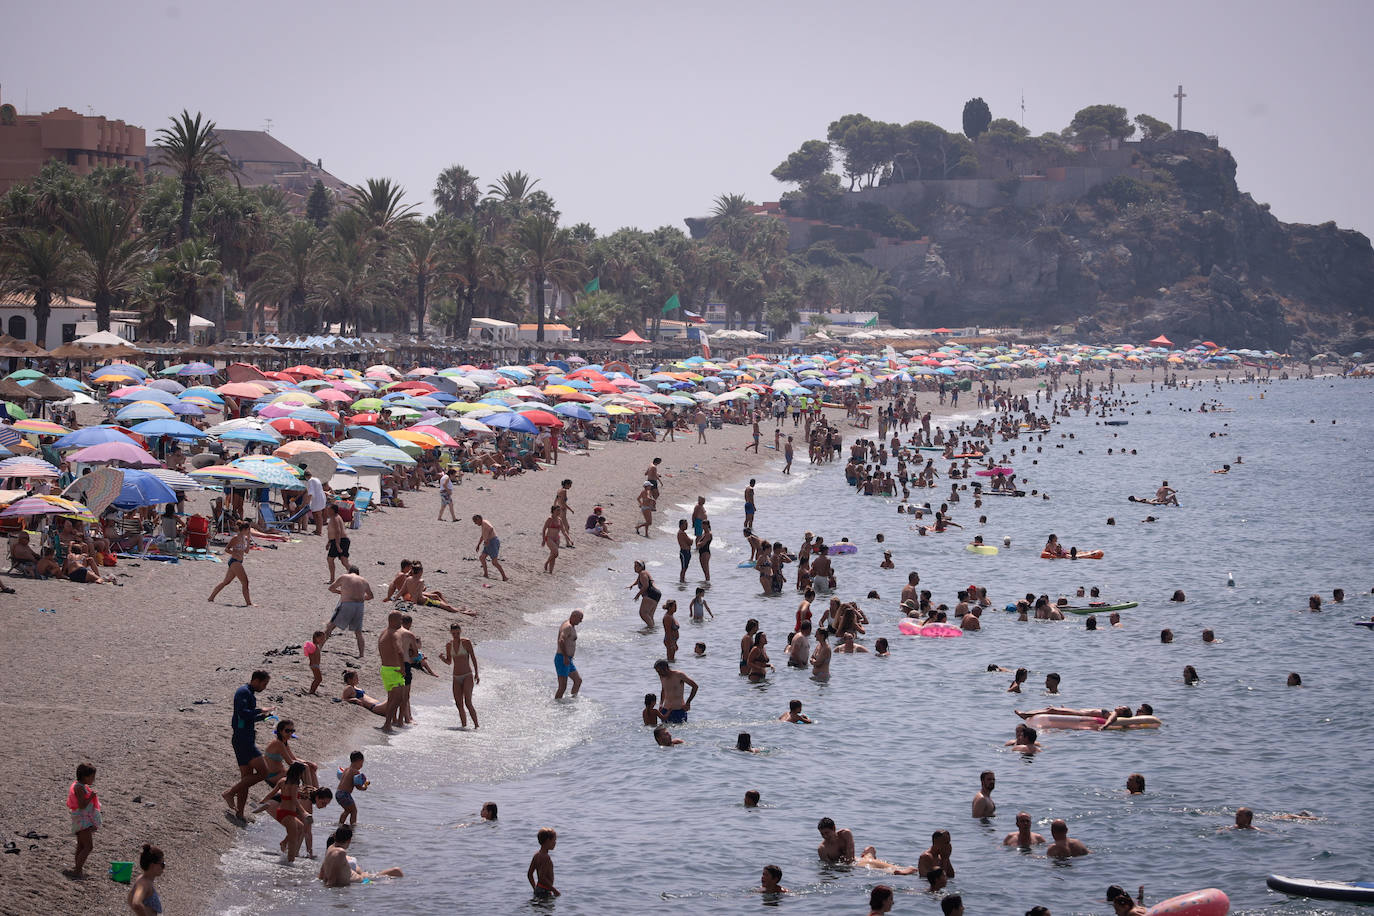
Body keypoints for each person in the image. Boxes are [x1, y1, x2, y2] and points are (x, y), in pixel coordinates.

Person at [222, 670, 273, 822]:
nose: (264, 687)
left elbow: (245, 718)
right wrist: (259, 710)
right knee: (264, 772)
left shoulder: (249, 693)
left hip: (243, 738)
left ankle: (240, 814)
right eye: (264, 684)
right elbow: (242, 713)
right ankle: (229, 793)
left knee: (247, 778)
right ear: (256, 680)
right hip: (243, 740)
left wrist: (262, 717)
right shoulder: (243, 692)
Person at [318, 825, 403, 886]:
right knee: (396, 875)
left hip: (362, 880)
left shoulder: (330, 848)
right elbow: (332, 880)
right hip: (363, 882)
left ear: (335, 836)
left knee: (395, 874)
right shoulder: (341, 853)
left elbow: (322, 874)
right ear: (349, 840)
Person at [323, 565, 373, 658]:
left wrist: (342, 593)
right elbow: (370, 596)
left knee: (330, 626)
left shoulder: (344, 577)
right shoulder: (364, 580)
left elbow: (331, 588)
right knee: (358, 632)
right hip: (359, 606)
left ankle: (319, 646)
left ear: (349, 571)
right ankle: (361, 654)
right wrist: (360, 597)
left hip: (347, 604)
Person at [64, 762, 101, 879]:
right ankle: (78, 870)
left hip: (82, 819)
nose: (93, 780)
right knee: (88, 846)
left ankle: (77, 869)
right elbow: (82, 805)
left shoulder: (81, 786)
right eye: (92, 777)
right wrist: (91, 796)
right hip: (82, 820)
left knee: (81, 845)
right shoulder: (79, 787)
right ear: (85, 776)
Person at [439, 623, 480, 727]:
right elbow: (449, 661)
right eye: (453, 633)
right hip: (456, 677)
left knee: (468, 702)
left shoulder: (466, 642)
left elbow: (473, 658)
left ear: (460, 631)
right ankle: (464, 726)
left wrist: (477, 673)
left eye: (457, 633)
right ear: (450, 633)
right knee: (458, 704)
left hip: (467, 675)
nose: (455, 635)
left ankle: (476, 725)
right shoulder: (449, 645)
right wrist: (442, 658)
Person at [208, 521, 254, 605]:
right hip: (235, 562)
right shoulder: (235, 538)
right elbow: (226, 549)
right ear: (244, 529)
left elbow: (246, 551)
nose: (249, 531)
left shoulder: (244, 538)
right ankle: (249, 603)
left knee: (226, 582)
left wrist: (248, 540)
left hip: (239, 561)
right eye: (248, 530)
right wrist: (234, 553)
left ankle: (211, 598)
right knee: (245, 582)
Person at [377, 611, 407, 730]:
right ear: (394, 620)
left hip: (385, 669)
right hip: (394, 670)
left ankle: (387, 723)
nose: (401, 623)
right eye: (400, 620)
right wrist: (402, 668)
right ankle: (387, 724)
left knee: (391, 698)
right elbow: (399, 651)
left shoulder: (383, 632)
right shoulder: (395, 634)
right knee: (399, 698)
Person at [126, 843, 164, 915]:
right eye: (162, 864)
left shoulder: (142, 880)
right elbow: (136, 903)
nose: (163, 867)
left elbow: (130, 898)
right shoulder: (144, 884)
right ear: (153, 865)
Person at [555, 610, 583, 698]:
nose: (581, 621)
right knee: (562, 687)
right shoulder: (567, 627)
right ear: (573, 616)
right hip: (562, 659)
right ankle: (557, 706)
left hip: (568, 660)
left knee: (578, 680)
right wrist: (565, 657)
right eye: (580, 618)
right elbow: (561, 640)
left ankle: (573, 702)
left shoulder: (571, 626)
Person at [335, 751, 367, 826]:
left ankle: (340, 824)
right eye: (361, 763)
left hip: (338, 793)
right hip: (345, 794)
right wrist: (364, 788)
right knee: (354, 811)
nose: (361, 765)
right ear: (358, 761)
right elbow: (358, 787)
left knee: (347, 810)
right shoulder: (355, 772)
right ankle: (353, 826)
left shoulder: (346, 769)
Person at [472, 514, 508, 581]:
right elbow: (483, 536)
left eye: (475, 522)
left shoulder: (484, 523)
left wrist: (488, 540)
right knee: (482, 558)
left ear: (479, 519)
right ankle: (486, 574)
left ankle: (504, 577)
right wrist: (478, 545)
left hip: (493, 542)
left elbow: (491, 528)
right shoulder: (483, 524)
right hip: (487, 543)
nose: (475, 524)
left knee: (494, 562)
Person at [527, 827, 559, 897]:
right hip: (545, 891)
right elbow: (542, 878)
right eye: (554, 840)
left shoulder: (536, 855)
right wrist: (554, 890)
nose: (555, 843)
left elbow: (529, 874)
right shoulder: (546, 857)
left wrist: (535, 888)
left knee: (539, 907)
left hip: (539, 889)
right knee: (547, 907)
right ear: (548, 841)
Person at [325, 505, 350, 583]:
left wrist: (337, 544)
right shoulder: (333, 518)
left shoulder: (335, 518)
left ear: (332, 510)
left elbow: (338, 531)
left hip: (340, 541)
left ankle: (332, 579)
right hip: (337, 541)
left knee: (331, 559)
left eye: (328, 509)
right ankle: (354, 576)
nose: (327, 511)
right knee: (343, 561)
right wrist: (329, 542)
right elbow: (332, 532)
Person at [304, 469, 328, 534]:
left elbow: (311, 492)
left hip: (317, 499)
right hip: (321, 498)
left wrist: (307, 502)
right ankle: (318, 529)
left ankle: (318, 530)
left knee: (317, 514)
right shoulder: (317, 479)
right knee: (318, 514)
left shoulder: (310, 481)